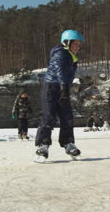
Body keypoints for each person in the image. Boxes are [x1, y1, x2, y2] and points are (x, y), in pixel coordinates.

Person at [35, 30, 84, 161]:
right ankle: (43, 145)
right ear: (67, 43)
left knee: (67, 116)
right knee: (49, 116)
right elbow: (59, 70)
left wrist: (65, 88)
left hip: (63, 87)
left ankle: (68, 143)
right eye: (76, 44)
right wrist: (64, 87)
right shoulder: (60, 53)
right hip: (51, 87)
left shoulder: (72, 58)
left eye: (79, 45)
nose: (78, 47)